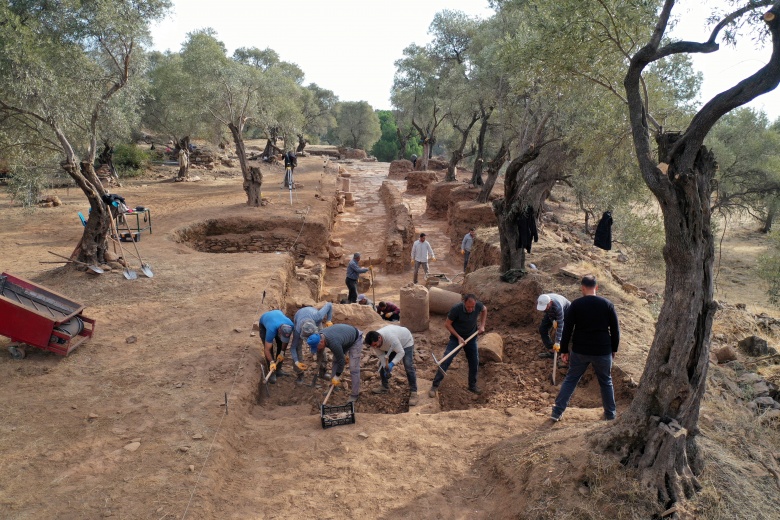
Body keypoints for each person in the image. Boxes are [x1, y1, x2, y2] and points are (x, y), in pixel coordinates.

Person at [551, 275, 620, 422]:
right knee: (606, 381)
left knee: (571, 379)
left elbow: (567, 329)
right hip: (602, 350)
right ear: (597, 287)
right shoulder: (607, 304)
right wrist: (614, 349)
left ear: (582, 288)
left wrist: (564, 350)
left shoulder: (576, 305)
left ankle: (557, 412)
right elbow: (615, 330)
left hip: (580, 350)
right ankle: (610, 415)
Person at [428, 293, 487, 397]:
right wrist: (459, 337)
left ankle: (472, 385)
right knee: (446, 359)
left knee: (474, 361)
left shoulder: (477, 305)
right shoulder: (456, 309)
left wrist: (482, 325)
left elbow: (484, 309)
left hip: (471, 338)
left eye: (472, 307)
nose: (471, 309)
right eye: (468, 307)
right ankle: (435, 385)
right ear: (464, 303)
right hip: (456, 338)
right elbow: (447, 324)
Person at [307, 324, 364, 403]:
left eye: (316, 347)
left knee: (353, 368)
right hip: (343, 339)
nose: (317, 349)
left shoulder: (333, 343)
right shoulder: (319, 336)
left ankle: (355, 395)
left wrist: (337, 376)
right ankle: (333, 386)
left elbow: (342, 361)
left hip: (355, 339)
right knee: (335, 361)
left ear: (322, 341)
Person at [365, 325, 418, 406]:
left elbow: (401, 352)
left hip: (406, 342)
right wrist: (385, 366)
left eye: (375, 345)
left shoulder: (390, 338)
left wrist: (392, 364)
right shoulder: (375, 343)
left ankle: (414, 392)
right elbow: (382, 356)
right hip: (391, 346)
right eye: (373, 346)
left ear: (379, 338)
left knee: (408, 365)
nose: (375, 347)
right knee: (381, 365)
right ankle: (384, 387)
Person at [289, 303, 334, 384]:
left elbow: (329, 305)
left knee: (320, 344)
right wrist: (296, 362)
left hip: (314, 318)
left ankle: (322, 370)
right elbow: (293, 347)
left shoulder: (318, 316)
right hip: (299, 316)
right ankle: (300, 374)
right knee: (297, 347)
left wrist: (329, 320)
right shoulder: (297, 330)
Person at [258, 309, 294, 384]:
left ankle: (278, 370)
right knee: (270, 350)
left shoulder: (290, 325)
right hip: (265, 322)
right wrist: (271, 362)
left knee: (281, 345)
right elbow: (267, 350)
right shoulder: (271, 330)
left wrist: (282, 352)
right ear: (279, 332)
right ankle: (272, 372)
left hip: (277, 317)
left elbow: (285, 341)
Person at [536, 293, 571, 359]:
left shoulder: (558, 307)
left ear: (550, 302)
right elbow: (548, 312)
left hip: (566, 311)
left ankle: (563, 354)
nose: (544, 309)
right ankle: (552, 350)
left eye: (545, 307)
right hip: (552, 311)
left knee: (563, 332)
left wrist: (557, 342)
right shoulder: (543, 302)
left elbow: (560, 326)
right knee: (543, 328)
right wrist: (553, 321)